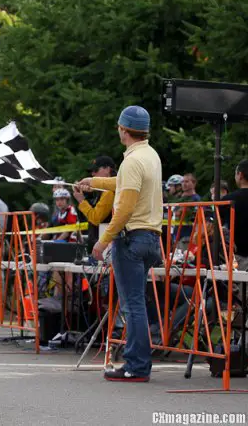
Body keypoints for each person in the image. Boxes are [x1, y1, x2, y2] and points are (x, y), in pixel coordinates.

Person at [77, 105, 163, 382]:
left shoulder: (132, 161)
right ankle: (138, 363)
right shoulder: (150, 156)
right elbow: (125, 184)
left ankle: (136, 366)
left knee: (132, 305)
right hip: (151, 238)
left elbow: (124, 208)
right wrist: (96, 182)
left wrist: (103, 242)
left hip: (132, 238)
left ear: (123, 130)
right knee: (137, 303)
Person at [73, 156, 116, 252]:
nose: (93, 174)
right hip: (105, 243)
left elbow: (96, 218)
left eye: (96, 170)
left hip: (106, 246)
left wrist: (81, 201)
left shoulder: (109, 191)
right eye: (92, 171)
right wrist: (86, 195)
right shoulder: (106, 189)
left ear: (107, 169)